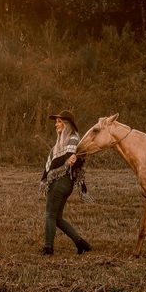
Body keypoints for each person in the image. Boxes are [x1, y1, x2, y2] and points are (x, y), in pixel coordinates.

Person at [40, 110, 91, 256]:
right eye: (56, 122)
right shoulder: (64, 141)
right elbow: (62, 160)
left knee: (49, 215)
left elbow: (71, 159)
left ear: (67, 124)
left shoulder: (72, 139)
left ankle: (48, 248)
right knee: (57, 218)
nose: (56, 124)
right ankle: (81, 244)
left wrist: (71, 161)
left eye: (59, 121)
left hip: (60, 181)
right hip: (64, 183)